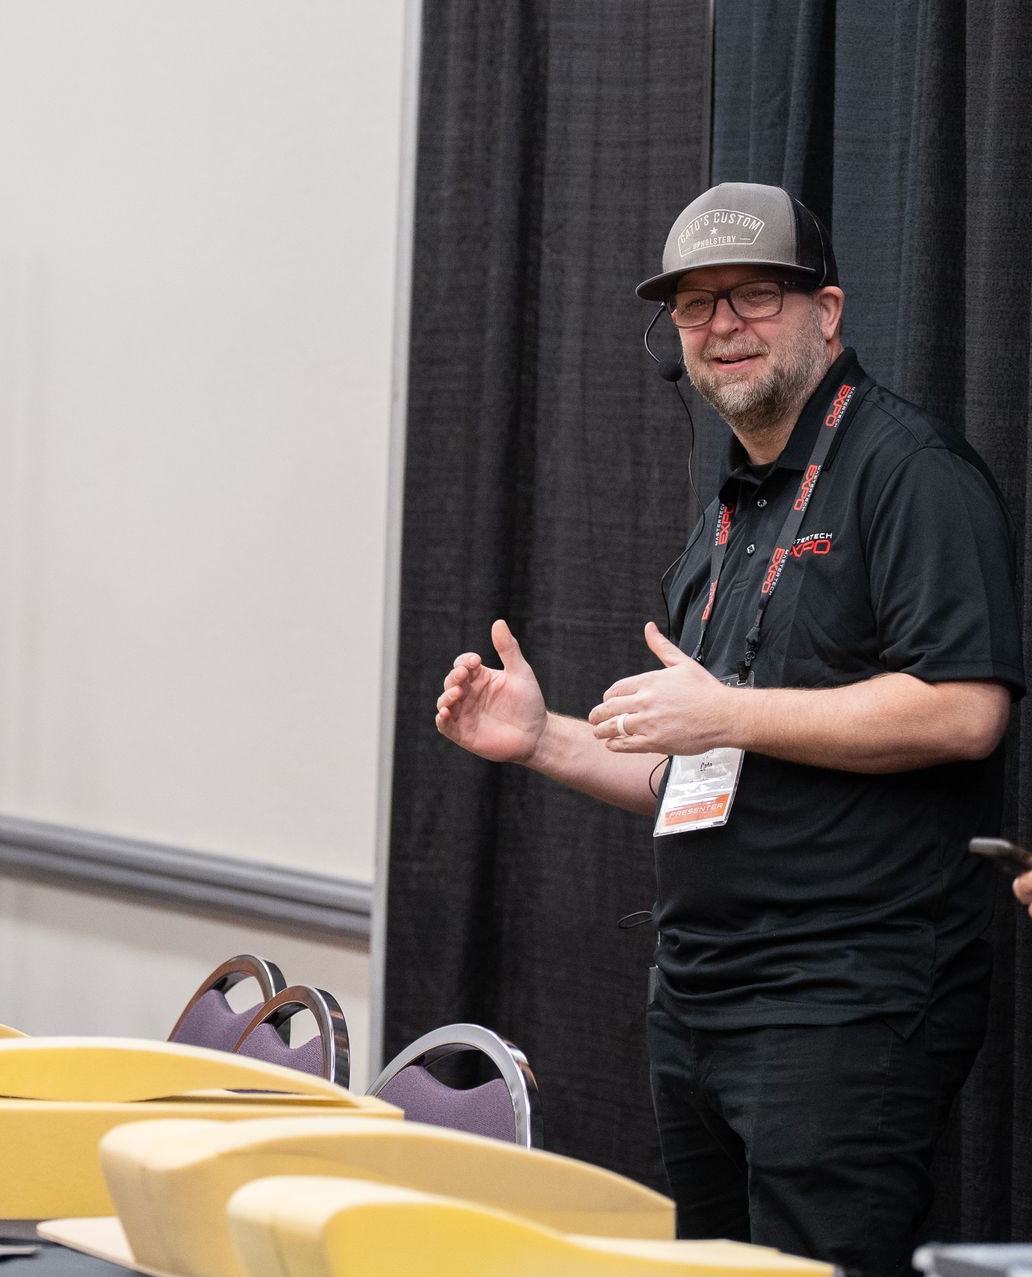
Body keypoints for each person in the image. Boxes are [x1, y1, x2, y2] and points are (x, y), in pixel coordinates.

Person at [433, 182, 1022, 1277]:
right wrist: (543, 737)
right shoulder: (733, 503)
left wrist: (727, 708)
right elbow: (707, 764)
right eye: (695, 306)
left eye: (753, 295)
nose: (721, 325)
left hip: (845, 1001)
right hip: (699, 995)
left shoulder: (910, 474)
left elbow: (965, 709)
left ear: (828, 311)